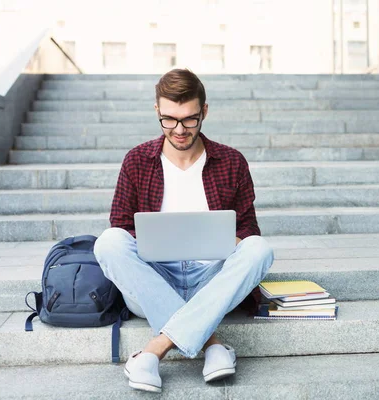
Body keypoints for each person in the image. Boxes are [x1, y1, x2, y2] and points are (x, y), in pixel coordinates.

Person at [93, 68, 274, 393]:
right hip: (153, 280)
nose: (179, 129)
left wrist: (227, 240)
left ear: (204, 111)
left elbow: (248, 229)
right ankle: (213, 345)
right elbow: (120, 226)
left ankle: (152, 351)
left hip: (211, 280)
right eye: (169, 119)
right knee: (108, 243)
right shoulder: (137, 161)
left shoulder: (231, 162)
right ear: (157, 111)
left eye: (189, 119)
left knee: (260, 249)